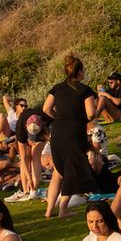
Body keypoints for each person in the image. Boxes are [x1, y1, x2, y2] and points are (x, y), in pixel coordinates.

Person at [42, 55, 98, 217]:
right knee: (71, 170)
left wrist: (59, 117)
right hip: (74, 132)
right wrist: (82, 118)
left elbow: (46, 109)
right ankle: (63, 210)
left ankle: (48, 211)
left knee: (59, 172)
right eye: (83, 70)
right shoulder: (85, 90)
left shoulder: (57, 88)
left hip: (58, 131)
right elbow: (91, 113)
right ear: (79, 72)